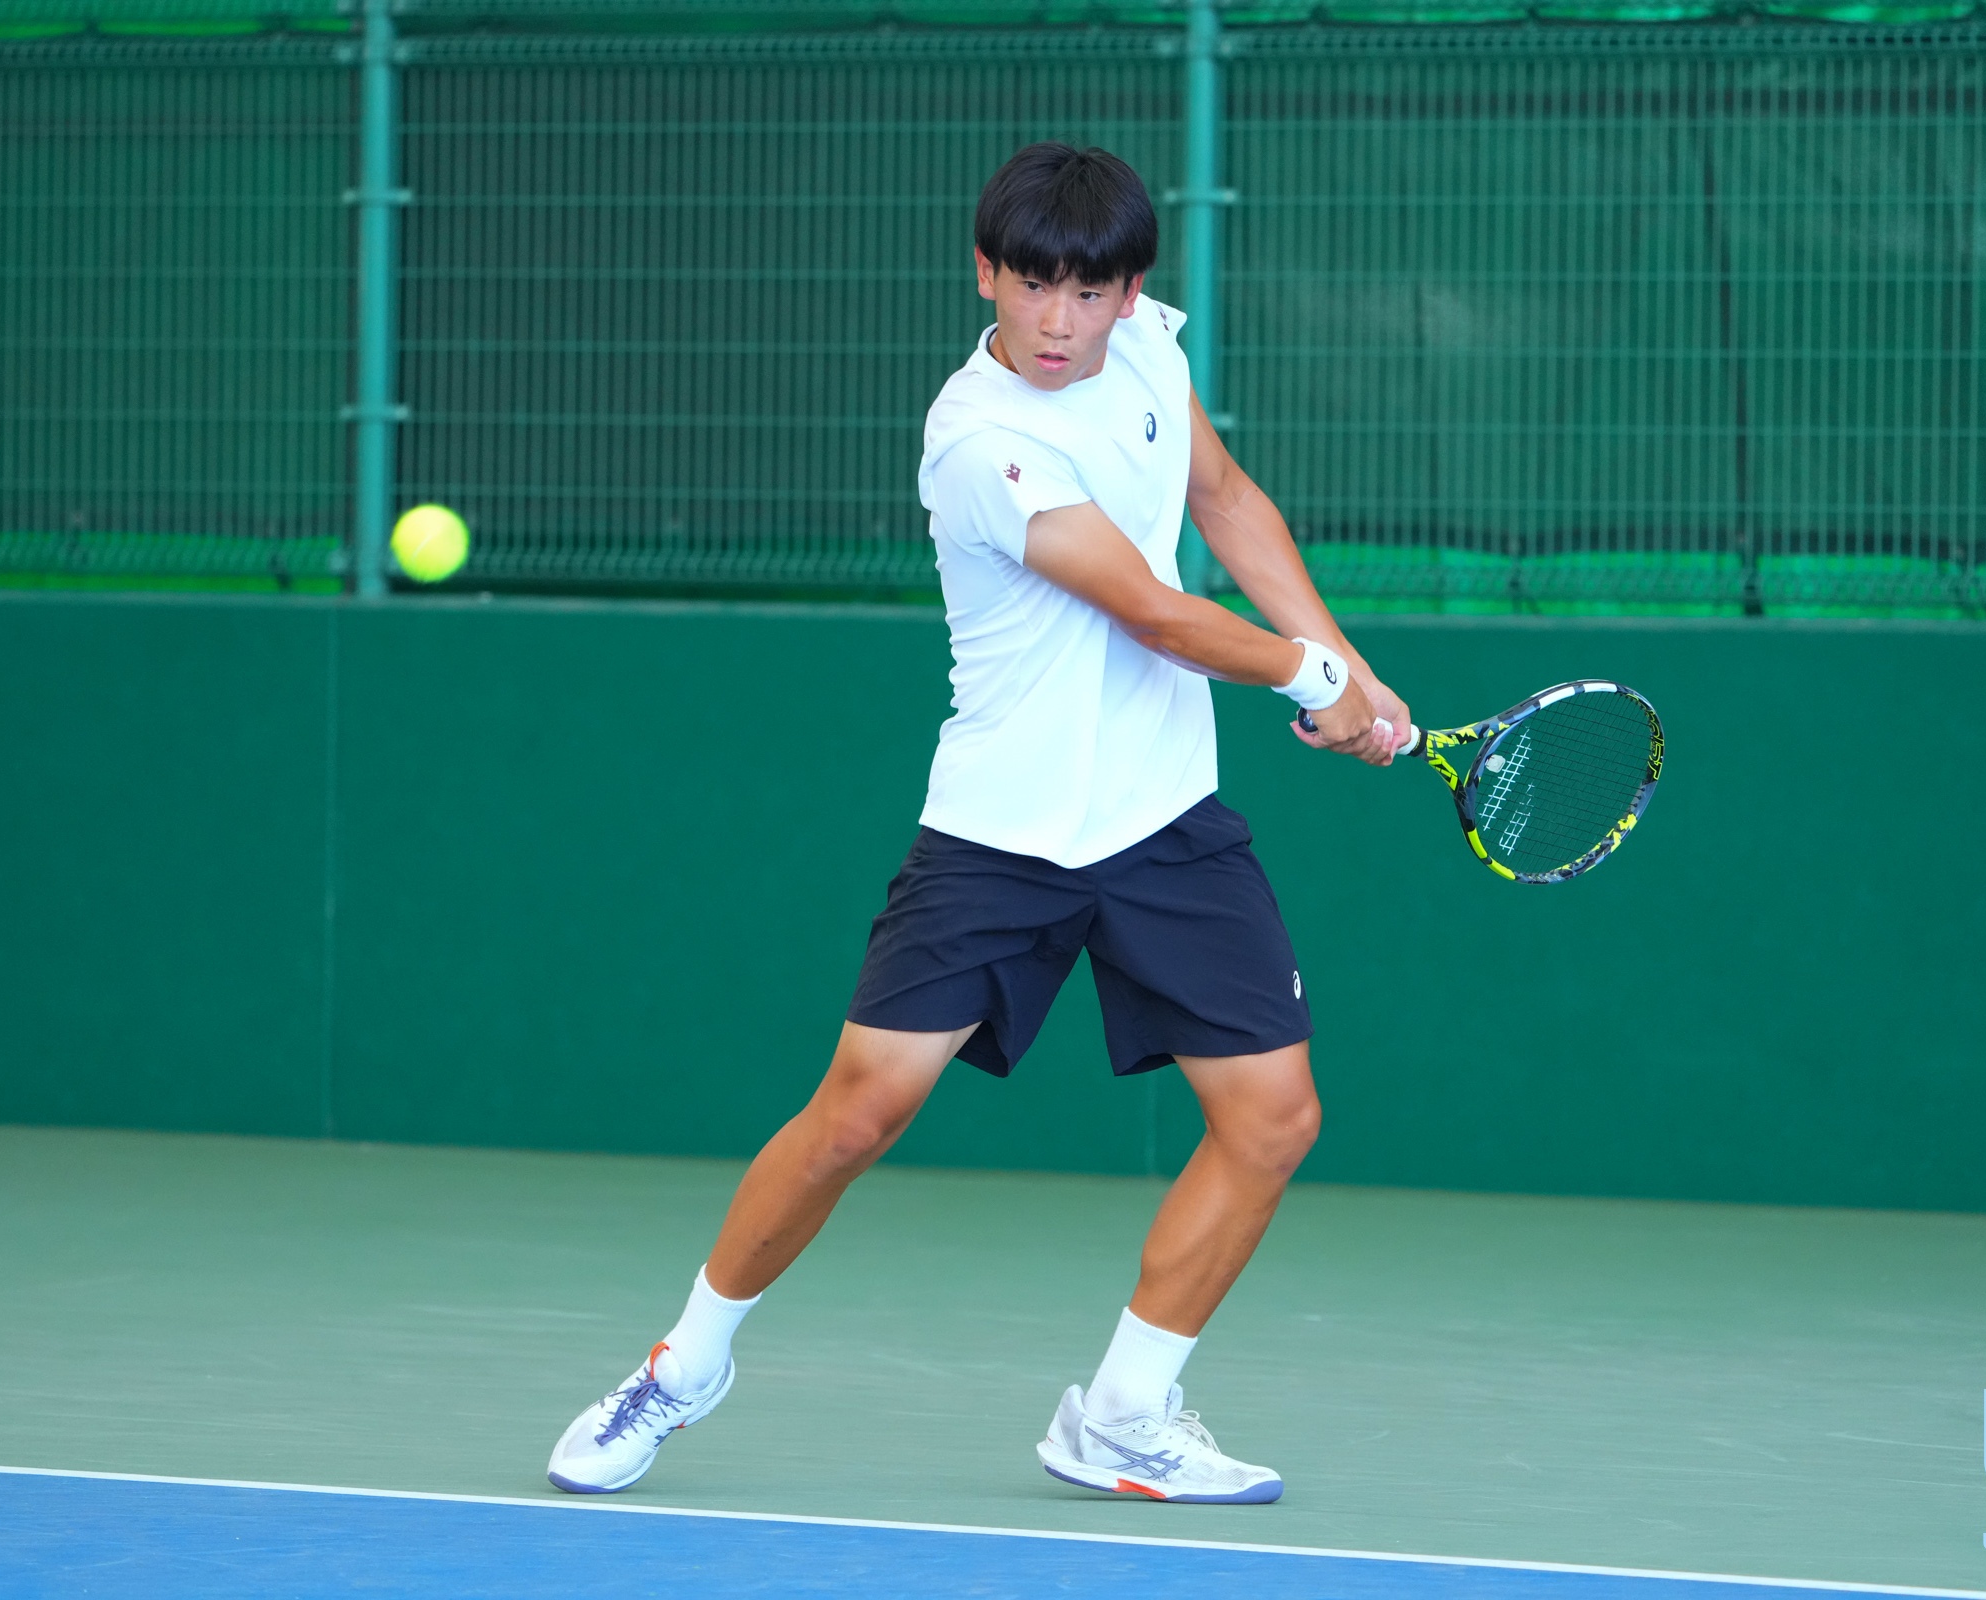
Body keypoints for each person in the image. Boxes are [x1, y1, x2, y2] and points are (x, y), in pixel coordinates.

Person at [548, 141, 1407, 1506]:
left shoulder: (1150, 356)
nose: (1060, 321)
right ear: (985, 274)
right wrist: (1315, 680)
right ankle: (683, 1365)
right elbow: (1152, 610)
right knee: (857, 1116)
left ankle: (1122, 1414)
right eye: (1032, 284)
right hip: (1001, 835)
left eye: (1091, 292)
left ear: (1133, 292)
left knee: (1272, 1120)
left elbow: (1226, 500)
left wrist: (1345, 660)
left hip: (1164, 818)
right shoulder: (978, 441)